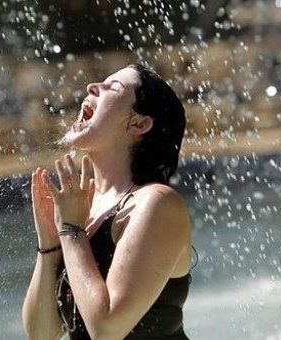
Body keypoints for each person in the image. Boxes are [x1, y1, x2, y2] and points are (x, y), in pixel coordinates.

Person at [22, 63, 192, 339]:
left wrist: (70, 231)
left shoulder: (157, 203)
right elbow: (42, 334)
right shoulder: (83, 209)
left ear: (139, 123)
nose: (92, 87)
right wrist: (50, 243)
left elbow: (107, 328)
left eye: (112, 87)